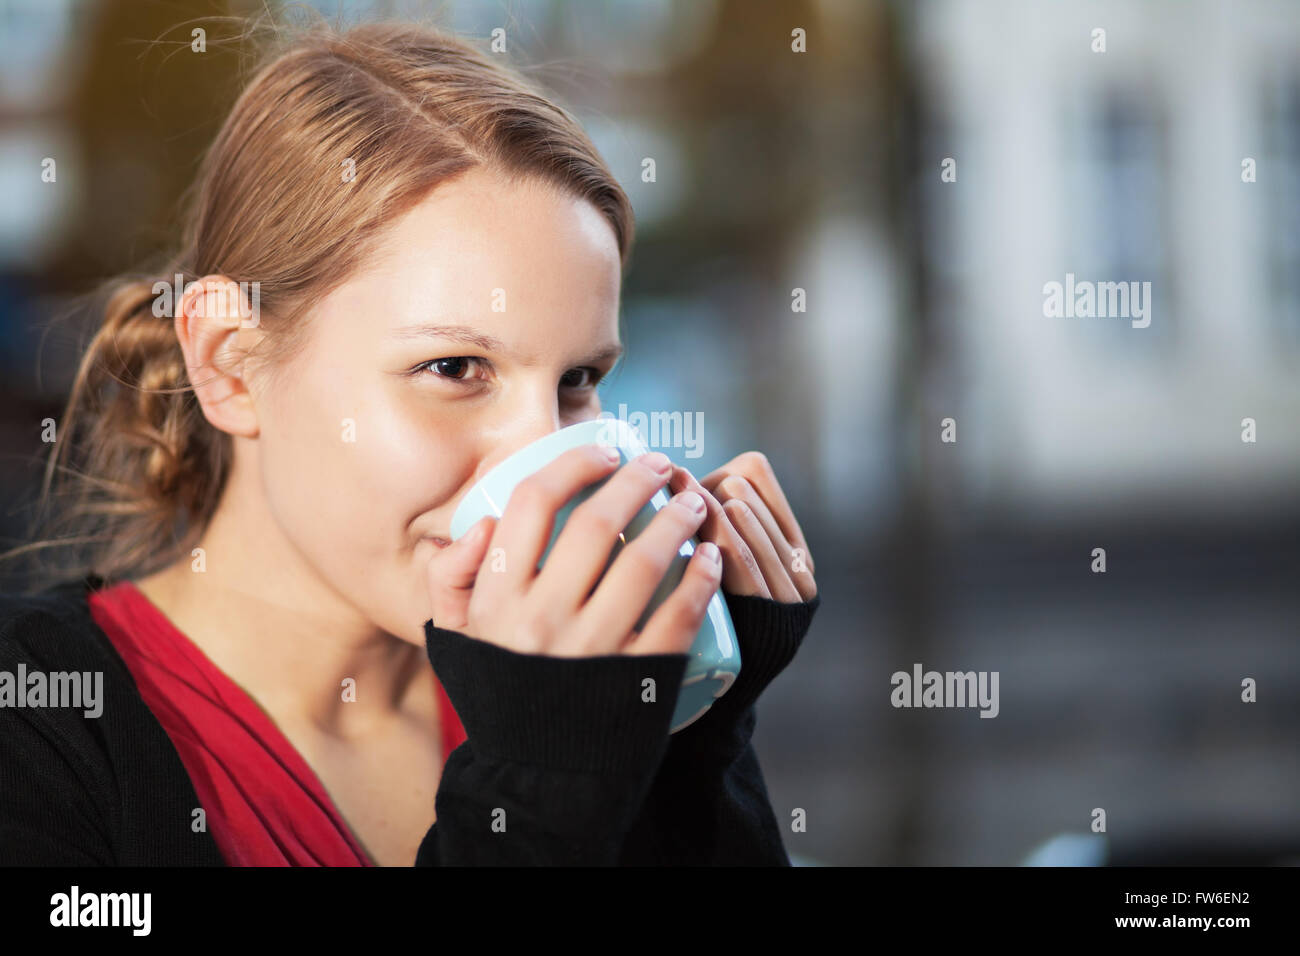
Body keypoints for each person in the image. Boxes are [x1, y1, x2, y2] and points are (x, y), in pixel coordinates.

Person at [0, 17, 819, 866]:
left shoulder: (579, 688)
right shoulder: (38, 726)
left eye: (577, 380)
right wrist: (535, 792)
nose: (546, 457)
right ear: (231, 364)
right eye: (455, 366)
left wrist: (691, 755)